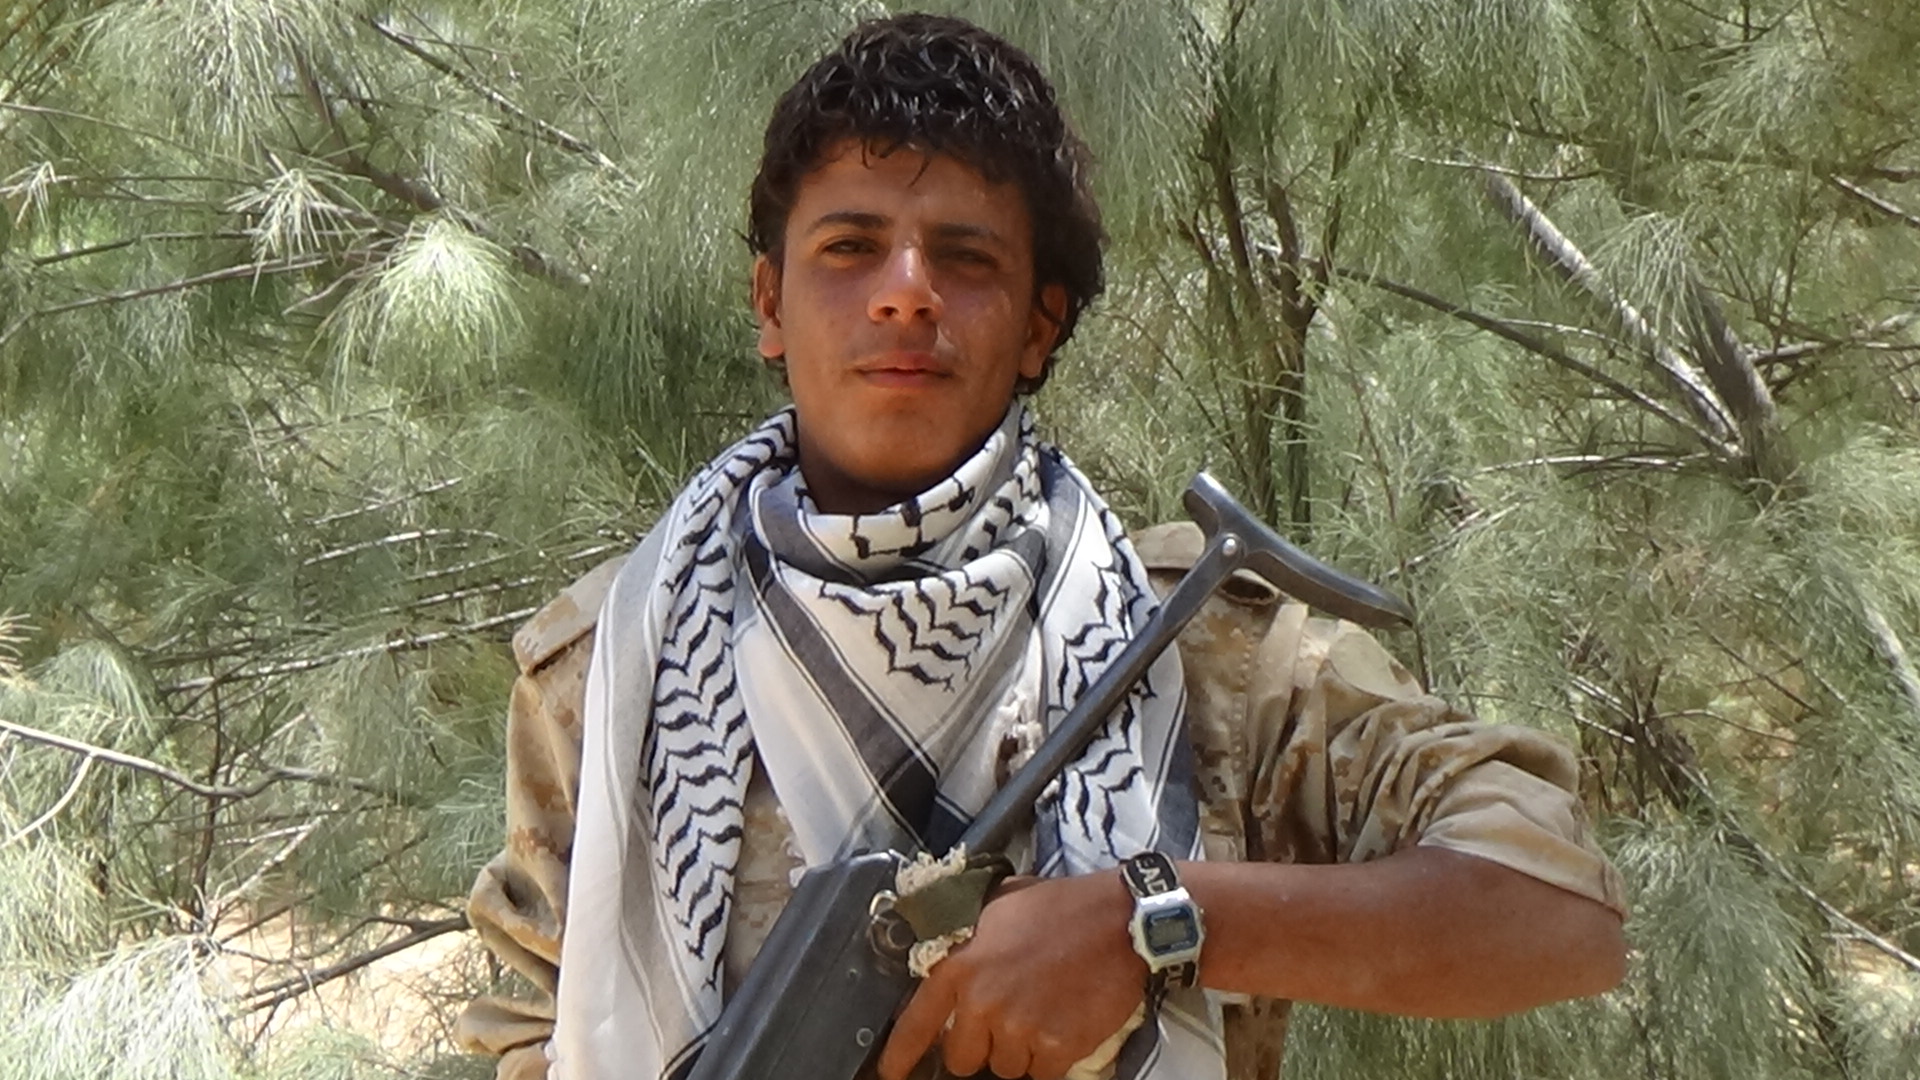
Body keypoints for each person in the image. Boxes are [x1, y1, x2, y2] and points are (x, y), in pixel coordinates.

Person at [453, 14, 1628, 1080]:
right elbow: (543, 1034)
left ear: (1038, 326)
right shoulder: (617, 664)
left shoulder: (1212, 654)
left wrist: (1151, 921)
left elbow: (1557, 917)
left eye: (965, 258)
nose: (905, 294)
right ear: (769, 302)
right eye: (851, 246)